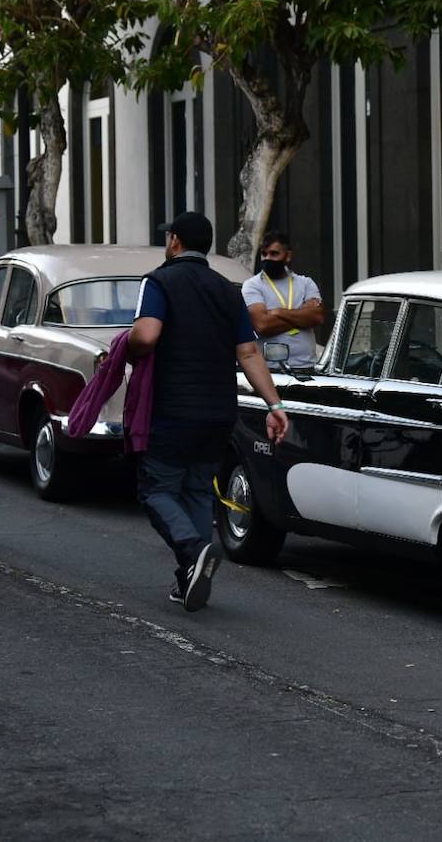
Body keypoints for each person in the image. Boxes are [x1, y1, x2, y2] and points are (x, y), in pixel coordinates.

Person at [128, 212, 289, 611]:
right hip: (219, 412)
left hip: (173, 409)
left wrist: (124, 347)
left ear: (177, 242)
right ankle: (188, 578)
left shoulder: (159, 281)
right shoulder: (227, 289)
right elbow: (249, 352)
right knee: (198, 490)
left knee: (157, 490)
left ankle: (194, 548)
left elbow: (146, 335)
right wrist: (275, 405)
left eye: (169, 237)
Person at [241, 231, 324, 369]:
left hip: (306, 366)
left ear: (288, 256)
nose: (267, 258)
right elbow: (262, 325)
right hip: (271, 369)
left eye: (274, 254)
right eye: (264, 253)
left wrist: (277, 312)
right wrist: (302, 317)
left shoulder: (306, 283)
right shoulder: (252, 285)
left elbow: (317, 317)